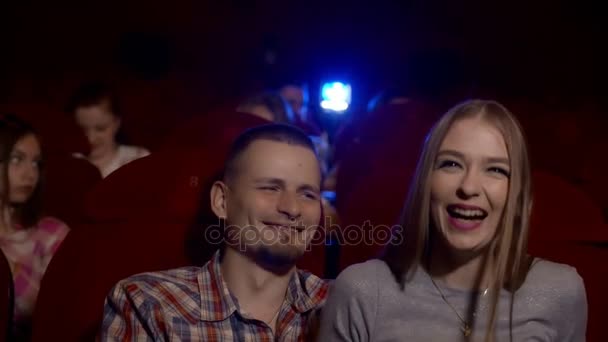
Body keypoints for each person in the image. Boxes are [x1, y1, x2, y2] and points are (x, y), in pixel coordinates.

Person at [318, 100, 587, 341]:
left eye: (495, 169)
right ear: (426, 183)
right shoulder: (362, 291)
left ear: (517, 194)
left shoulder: (559, 291)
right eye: (451, 164)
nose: (469, 187)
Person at [100, 124, 329, 341]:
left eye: (307, 194)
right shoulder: (149, 304)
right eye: (270, 188)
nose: (291, 208)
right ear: (221, 201)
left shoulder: (340, 305)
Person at [0, 114, 70, 340]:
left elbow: (54, 315)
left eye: (36, 163)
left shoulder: (51, 233)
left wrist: (12, 270)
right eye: (16, 159)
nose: (30, 174)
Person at [66, 82, 150, 178]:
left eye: (101, 129)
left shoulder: (137, 159)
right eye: (82, 129)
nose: (90, 138)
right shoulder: (69, 164)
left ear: (116, 123)